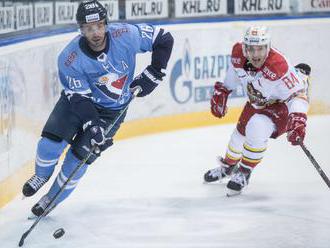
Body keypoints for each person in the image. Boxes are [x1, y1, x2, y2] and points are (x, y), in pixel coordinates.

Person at [22, 0, 174, 216]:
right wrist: (92, 123)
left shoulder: (125, 34)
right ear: (81, 29)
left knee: (78, 160)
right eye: (89, 28)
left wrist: (155, 72)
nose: (96, 33)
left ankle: (51, 198)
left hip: (112, 111)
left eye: (100, 26)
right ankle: (42, 175)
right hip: (77, 104)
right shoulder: (69, 57)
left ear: (106, 24)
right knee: (50, 144)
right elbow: (79, 99)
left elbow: (164, 38)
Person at [203, 26, 310, 196]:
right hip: (258, 100)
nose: (256, 54)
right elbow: (235, 72)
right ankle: (228, 167)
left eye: (260, 48)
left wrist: (298, 118)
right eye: (251, 48)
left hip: (281, 104)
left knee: (256, 127)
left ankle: (244, 172)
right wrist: (224, 89)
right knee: (238, 135)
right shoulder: (238, 53)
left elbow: (298, 95)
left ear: (268, 48)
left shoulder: (278, 64)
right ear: (245, 47)